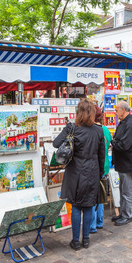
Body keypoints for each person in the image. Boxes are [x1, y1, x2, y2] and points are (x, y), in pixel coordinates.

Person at [53, 99, 105, 251]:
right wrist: (100, 174)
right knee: (88, 206)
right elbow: (102, 156)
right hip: (92, 171)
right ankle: (86, 239)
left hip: (75, 172)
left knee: (76, 206)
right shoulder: (98, 130)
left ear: (78, 112)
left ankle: (75, 241)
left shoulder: (72, 128)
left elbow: (56, 144)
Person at [111, 101, 132, 226]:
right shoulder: (124, 122)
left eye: (117, 110)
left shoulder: (130, 124)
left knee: (127, 191)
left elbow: (124, 145)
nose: (115, 112)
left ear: (123, 110)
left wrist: (113, 143)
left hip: (127, 162)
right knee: (123, 190)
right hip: (122, 162)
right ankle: (123, 213)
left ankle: (127, 215)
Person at [90, 104, 112, 234]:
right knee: (102, 194)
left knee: (92, 197)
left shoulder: (91, 129)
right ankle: (99, 222)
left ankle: (92, 225)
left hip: (94, 167)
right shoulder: (105, 129)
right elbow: (109, 143)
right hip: (104, 166)